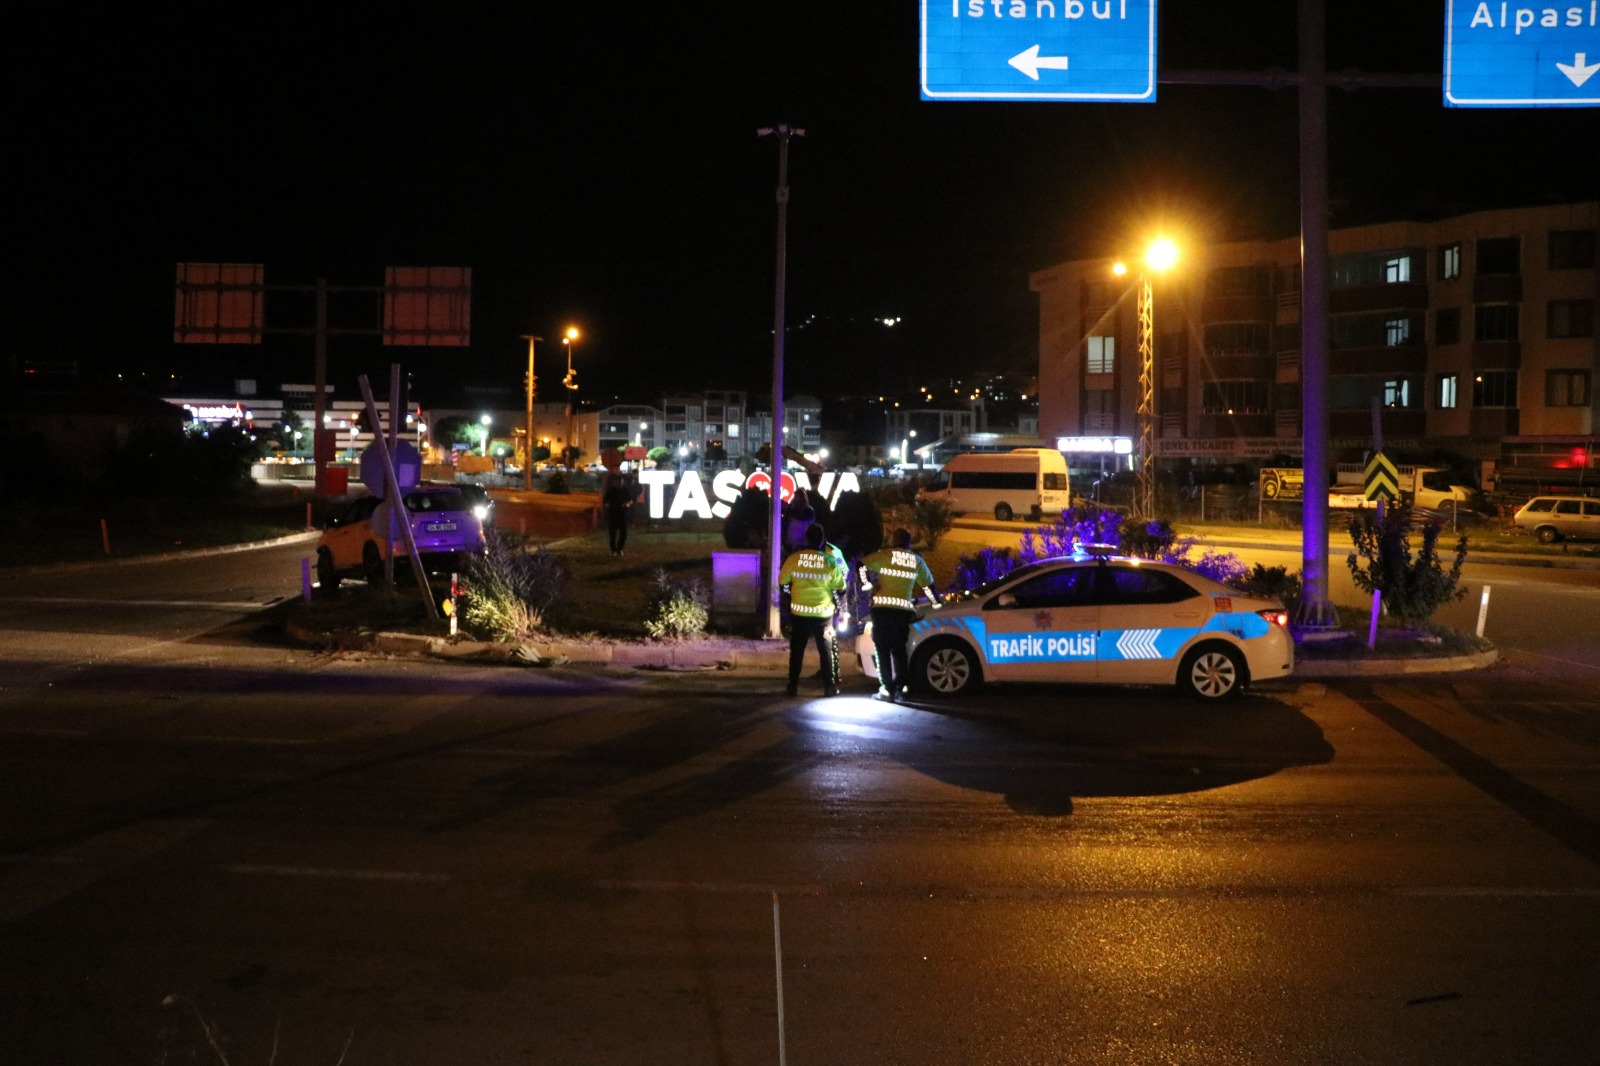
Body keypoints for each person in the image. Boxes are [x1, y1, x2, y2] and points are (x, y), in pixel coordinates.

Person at [858, 527, 937, 702]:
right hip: (902, 612)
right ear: (909, 542)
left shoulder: (884, 555)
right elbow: (929, 586)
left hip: (882, 610)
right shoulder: (916, 560)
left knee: (882, 649)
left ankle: (887, 689)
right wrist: (935, 603)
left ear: (893, 540)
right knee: (899, 650)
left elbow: (861, 565)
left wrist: (868, 585)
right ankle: (902, 687)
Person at [779, 523, 846, 697]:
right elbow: (840, 589)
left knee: (797, 651)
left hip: (799, 613)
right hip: (823, 615)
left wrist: (790, 597)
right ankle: (829, 688)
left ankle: (792, 686)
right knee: (825, 651)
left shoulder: (794, 559)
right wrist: (840, 608)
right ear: (822, 540)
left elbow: (783, 583)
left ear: (806, 538)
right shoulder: (830, 562)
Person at [602, 470, 636, 555]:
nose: (619, 483)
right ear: (615, 482)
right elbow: (605, 500)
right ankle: (613, 550)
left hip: (622, 513)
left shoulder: (625, 490)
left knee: (623, 533)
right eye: (617, 481)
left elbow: (630, 500)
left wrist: (627, 504)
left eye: (620, 481)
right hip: (613, 513)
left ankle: (620, 549)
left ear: (622, 482)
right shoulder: (611, 490)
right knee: (612, 534)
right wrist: (607, 505)